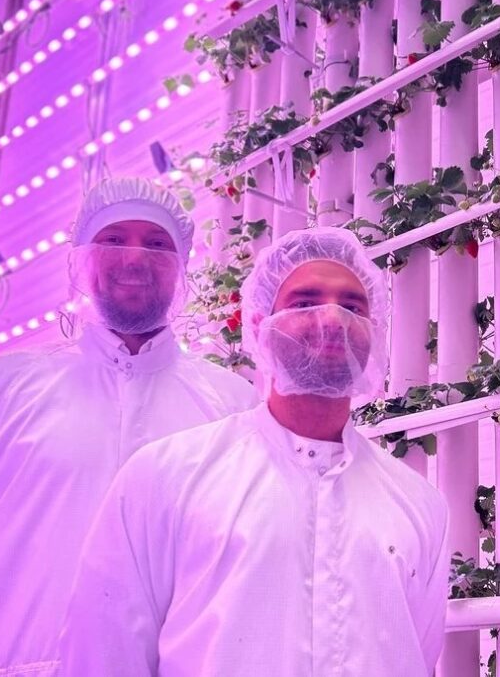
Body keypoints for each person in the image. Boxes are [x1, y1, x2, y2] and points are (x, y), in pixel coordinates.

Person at [59, 226, 450, 676]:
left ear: (374, 331)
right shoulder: (168, 476)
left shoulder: (418, 505)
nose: (331, 321)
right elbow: (105, 653)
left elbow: (417, 653)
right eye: (305, 303)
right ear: (261, 325)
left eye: (352, 306)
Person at [0, 177, 258, 677]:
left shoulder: (231, 405)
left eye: (156, 243)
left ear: (182, 267)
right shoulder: (3, 386)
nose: (134, 258)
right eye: (113, 238)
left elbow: (242, 567)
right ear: (82, 257)